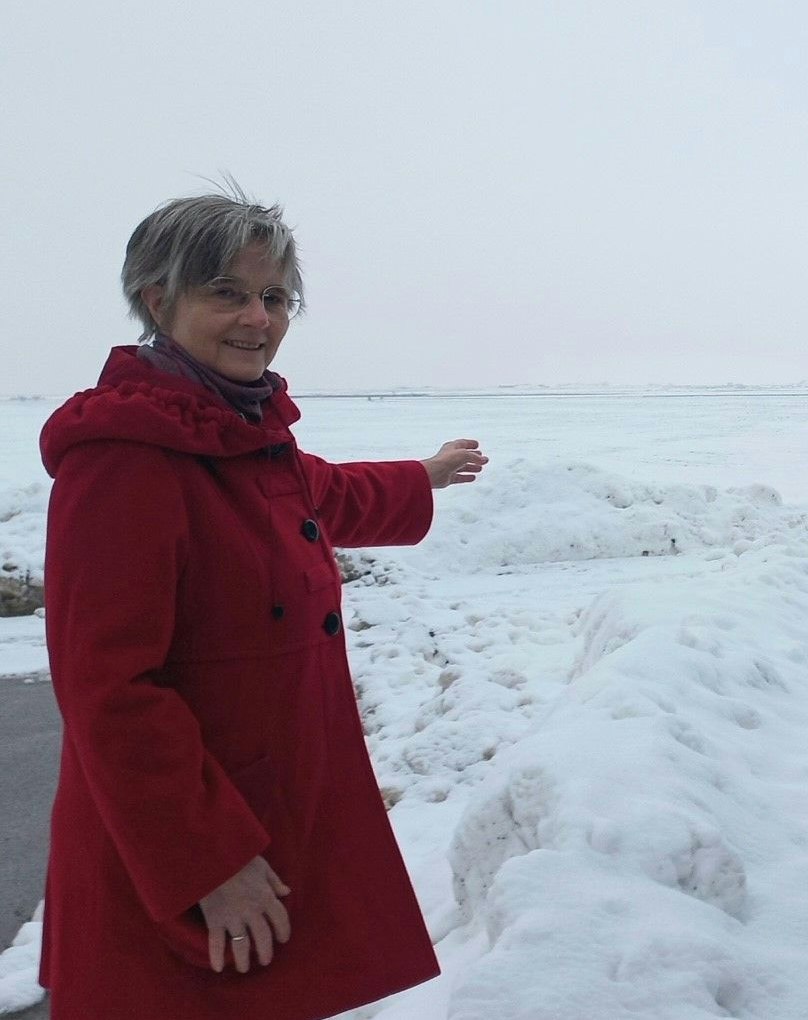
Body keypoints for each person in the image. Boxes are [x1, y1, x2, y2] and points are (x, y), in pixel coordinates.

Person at [36, 190, 488, 1019]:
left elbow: (326, 493)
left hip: (268, 814)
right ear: (156, 299)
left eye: (276, 297)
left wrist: (424, 475)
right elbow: (110, 692)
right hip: (185, 849)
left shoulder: (244, 435)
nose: (259, 318)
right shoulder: (128, 464)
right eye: (227, 293)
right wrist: (207, 861)